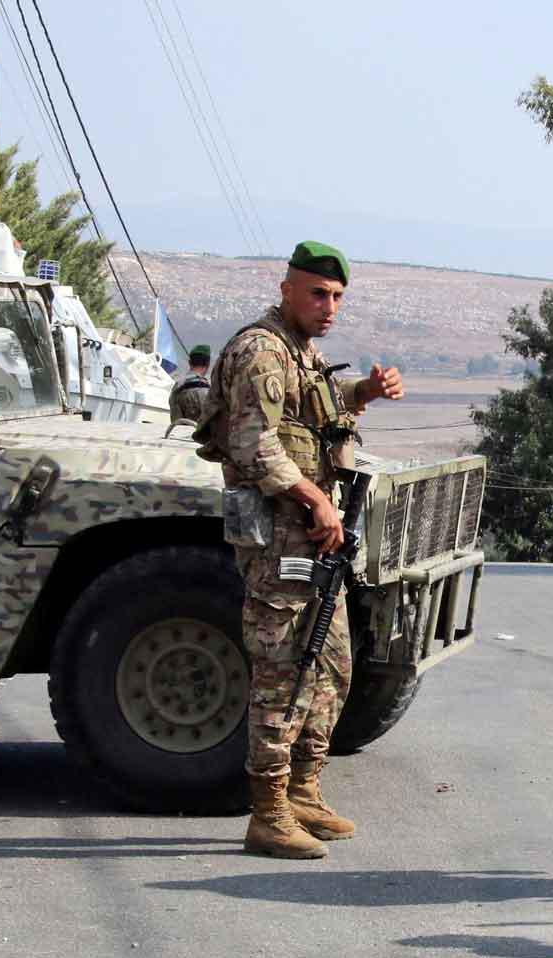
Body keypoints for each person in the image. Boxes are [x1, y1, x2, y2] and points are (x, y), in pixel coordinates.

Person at [199, 241, 404, 858]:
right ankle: (266, 812)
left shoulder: (302, 354)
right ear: (287, 288)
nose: (329, 306)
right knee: (282, 672)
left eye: (338, 296)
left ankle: (303, 791)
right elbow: (254, 445)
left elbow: (313, 422)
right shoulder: (262, 351)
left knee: (332, 664)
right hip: (279, 535)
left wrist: (363, 394)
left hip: (315, 541)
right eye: (318, 293)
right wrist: (316, 498)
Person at [169, 344, 213, 423]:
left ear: (189, 362)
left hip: (179, 433)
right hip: (200, 434)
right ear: (208, 364)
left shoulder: (177, 386)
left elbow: (175, 418)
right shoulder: (207, 390)